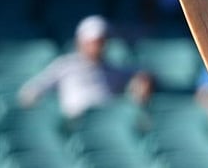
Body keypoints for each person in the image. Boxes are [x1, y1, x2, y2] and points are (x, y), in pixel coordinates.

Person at [17, 15, 153, 121]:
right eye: (94, 42)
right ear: (80, 42)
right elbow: (32, 90)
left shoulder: (112, 69)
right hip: (76, 124)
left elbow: (141, 76)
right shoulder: (64, 65)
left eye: (102, 41)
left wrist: (140, 83)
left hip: (106, 121)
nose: (98, 46)